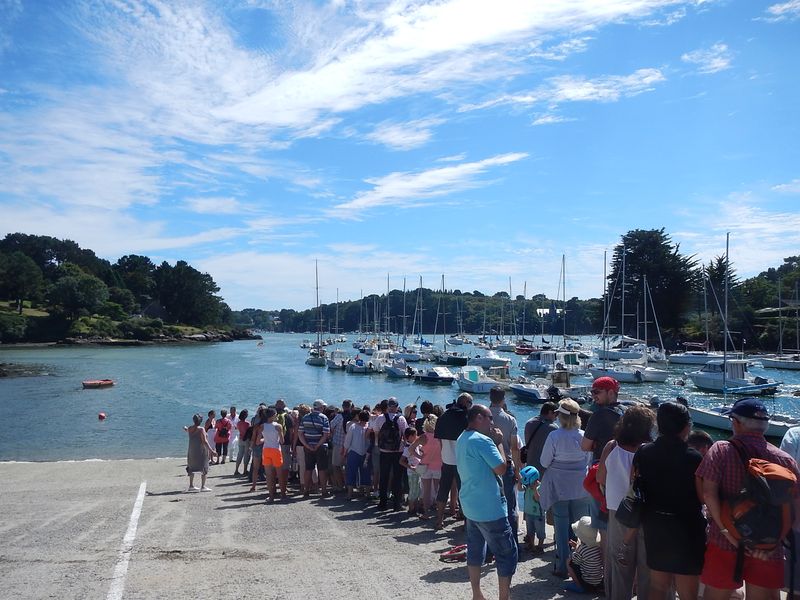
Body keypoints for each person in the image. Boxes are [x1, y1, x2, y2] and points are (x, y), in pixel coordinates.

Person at [698, 398, 800, 600]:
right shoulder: (785, 459)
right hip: (767, 546)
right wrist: (772, 543)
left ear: (736, 422)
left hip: (724, 542)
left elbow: (708, 493)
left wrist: (728, 533)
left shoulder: (720, 450)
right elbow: (795, 510)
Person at [635, 401, 706, 600]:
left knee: (658, 586)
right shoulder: (694, 458)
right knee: (687, 592)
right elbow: (702, 497)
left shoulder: (644, 452)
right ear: (686, 427)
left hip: (655, 524)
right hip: (687, 528)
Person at [456, 404, 518, 600]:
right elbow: (501, 468)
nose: (493, 422)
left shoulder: (462, 437)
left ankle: (477, 594)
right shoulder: (484, 440)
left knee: (475, 550)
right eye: (490, 417)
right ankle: (503, 597)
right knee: (507, 554)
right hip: (490, 507)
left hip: (470, 504)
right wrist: (499, 442)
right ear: (479, 418)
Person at [597, 404, 655, 600]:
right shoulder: (650, 450)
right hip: (647, 513)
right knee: (647, 567)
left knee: (619, 564)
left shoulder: (612, 446)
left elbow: (600, 477)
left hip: (619, 511)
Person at [539, 399, 591, 579]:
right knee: (581, 527)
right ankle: (583, 566)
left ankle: (562, 566)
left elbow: (544, 462)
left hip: (559, 485)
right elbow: (589, 460)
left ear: (560, 416)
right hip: (580, 485)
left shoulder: (554, 436)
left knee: (561, 527)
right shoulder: (584, 435)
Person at [581, 376, 625, 544]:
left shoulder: (598, 415)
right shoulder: (627, 412)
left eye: (597, 392)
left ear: (611, 392)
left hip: (602, 475)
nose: (594, 396)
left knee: (603, 526)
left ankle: (606, 569)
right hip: (625, 472)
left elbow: (585, 446)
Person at [489, 386, 522, 549]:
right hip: (506, 464)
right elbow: (515, 447)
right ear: (503, 399)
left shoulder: (482, 417)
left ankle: (489, 548)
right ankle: (513, 544)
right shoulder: (510, 420)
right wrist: (518, 471)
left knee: (488, 505)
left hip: (486, 466)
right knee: (510, 507)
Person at [434, 392, 473, 530]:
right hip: (462, 460)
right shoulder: (467, 417)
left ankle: (439, 520)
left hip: (446, 458)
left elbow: (439, 439)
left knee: (443, 489)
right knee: (465, 491)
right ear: (466, 403)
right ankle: (467, 522)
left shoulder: (444, 416)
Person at [372, 397, 408, 510]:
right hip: (398, 451)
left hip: (384, 451)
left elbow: (376, 431)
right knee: (398, 477)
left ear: (388, 407)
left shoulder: (381, 418)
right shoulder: (401, 419)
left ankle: (383, 503)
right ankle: (397, 504)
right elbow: (405, 435)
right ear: (397, 407)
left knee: (384, 477)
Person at [409, 414, 442, 518]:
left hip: (425, 465)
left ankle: (426, 513)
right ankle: (439, 514)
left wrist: (419, 455)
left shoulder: (424, 437)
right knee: (438, 491)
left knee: (426, 492)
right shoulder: (440, 436)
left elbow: (411, 449)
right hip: (438, 465)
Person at [299, 399, 331, 498]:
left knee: (308, 469)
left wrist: (307, 445)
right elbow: (326, 434)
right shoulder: (323, 417)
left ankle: (306, 490)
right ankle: (324, 491)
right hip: (321, 447)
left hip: (308, 446)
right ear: (321, 407)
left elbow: (300, 433)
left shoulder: (305, 417)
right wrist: (317, 445)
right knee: (322, 469)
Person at [566, 516, 604, 594]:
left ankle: (579, 586)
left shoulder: (582, 549)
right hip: (599, 580)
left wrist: (576, 549)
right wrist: (577, 547)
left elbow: (575, 562)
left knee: (568, 563)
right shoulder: (598, 546)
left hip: (587, 582)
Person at [343, 410, 373, 498]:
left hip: (353, 452)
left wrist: (345, 452)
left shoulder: (353, 426)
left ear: (359, 417)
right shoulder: (369, 427)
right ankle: (367, 494)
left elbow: (347, 441)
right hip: (366, 453)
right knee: (366, 472)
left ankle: (349, 494)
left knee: (351, 472)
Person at [523, 401, 558, 475]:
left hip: (530, 466)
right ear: (550, 412)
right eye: (556, 414)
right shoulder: (553, 428)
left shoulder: (529, 423)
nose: (556, 418)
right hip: (544, 468)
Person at [257, 407, 284, 502]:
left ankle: (271, 495)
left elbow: (258, 441)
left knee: (268, 475)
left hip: (266, 450)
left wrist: (266, 439)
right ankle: (283, 494)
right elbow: (282, 441)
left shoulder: (262, 426)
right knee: (279, 474)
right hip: (276, 450)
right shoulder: (278, 426)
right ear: (273, 416)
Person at [185, 413, 217, 492]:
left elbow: (187, 430)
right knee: (204, 467)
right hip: (201, 451)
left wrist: (185, 428)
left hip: (192, 451)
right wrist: (212, 451)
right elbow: (205, 442)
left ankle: (191, 485)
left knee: (191, 467)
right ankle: (203, 486)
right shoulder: (201, 429)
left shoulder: (190, 428)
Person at [519, 465, 545, 554]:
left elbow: (539, 499)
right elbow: (519, 488)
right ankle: (532, 546)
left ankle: (540, 546)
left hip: (538, 514)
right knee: (530, 531)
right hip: (529, 513)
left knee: (540, 532)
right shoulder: (527, 487)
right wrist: (519, 481)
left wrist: (534, 489)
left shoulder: (540, 487)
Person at [329, 400, 354, 493]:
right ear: (351, 406)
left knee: (336, 466)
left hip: (339, 444)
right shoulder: (353, 417)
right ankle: (349, 485)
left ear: (343, 406)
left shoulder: (339, 416)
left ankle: (340, 485)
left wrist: (333, 434)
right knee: (347, 467)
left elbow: (330, 426)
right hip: (351, 445)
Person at [273, 398, 294, 497]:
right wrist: (290, 444)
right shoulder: (288, 417)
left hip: (273, 444)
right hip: (285, 444)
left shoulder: (271, 416)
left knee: (274, 467)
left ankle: (273, 488)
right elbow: (291, 432)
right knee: (285, 468)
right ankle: (284, 488)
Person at [400, 427, 422, 514]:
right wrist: (410, 467)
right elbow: (401, 461)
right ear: (410, 436)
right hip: (412, 472)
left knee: (417, 490)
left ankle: (415, 507)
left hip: (417, 471)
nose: (416, 436)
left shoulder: (414, 445)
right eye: (415, 435)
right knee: (413, 491)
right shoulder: (407, 448)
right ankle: (411, 509)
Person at [233, 408, 250, 476]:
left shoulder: (238, 423)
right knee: (246, 455)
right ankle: (245, 470)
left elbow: (238, 429)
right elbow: (249, 432)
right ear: (245, 415)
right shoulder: (247, 423)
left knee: (240, 454)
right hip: (246, 440)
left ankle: (236, 470)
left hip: (240, 438)